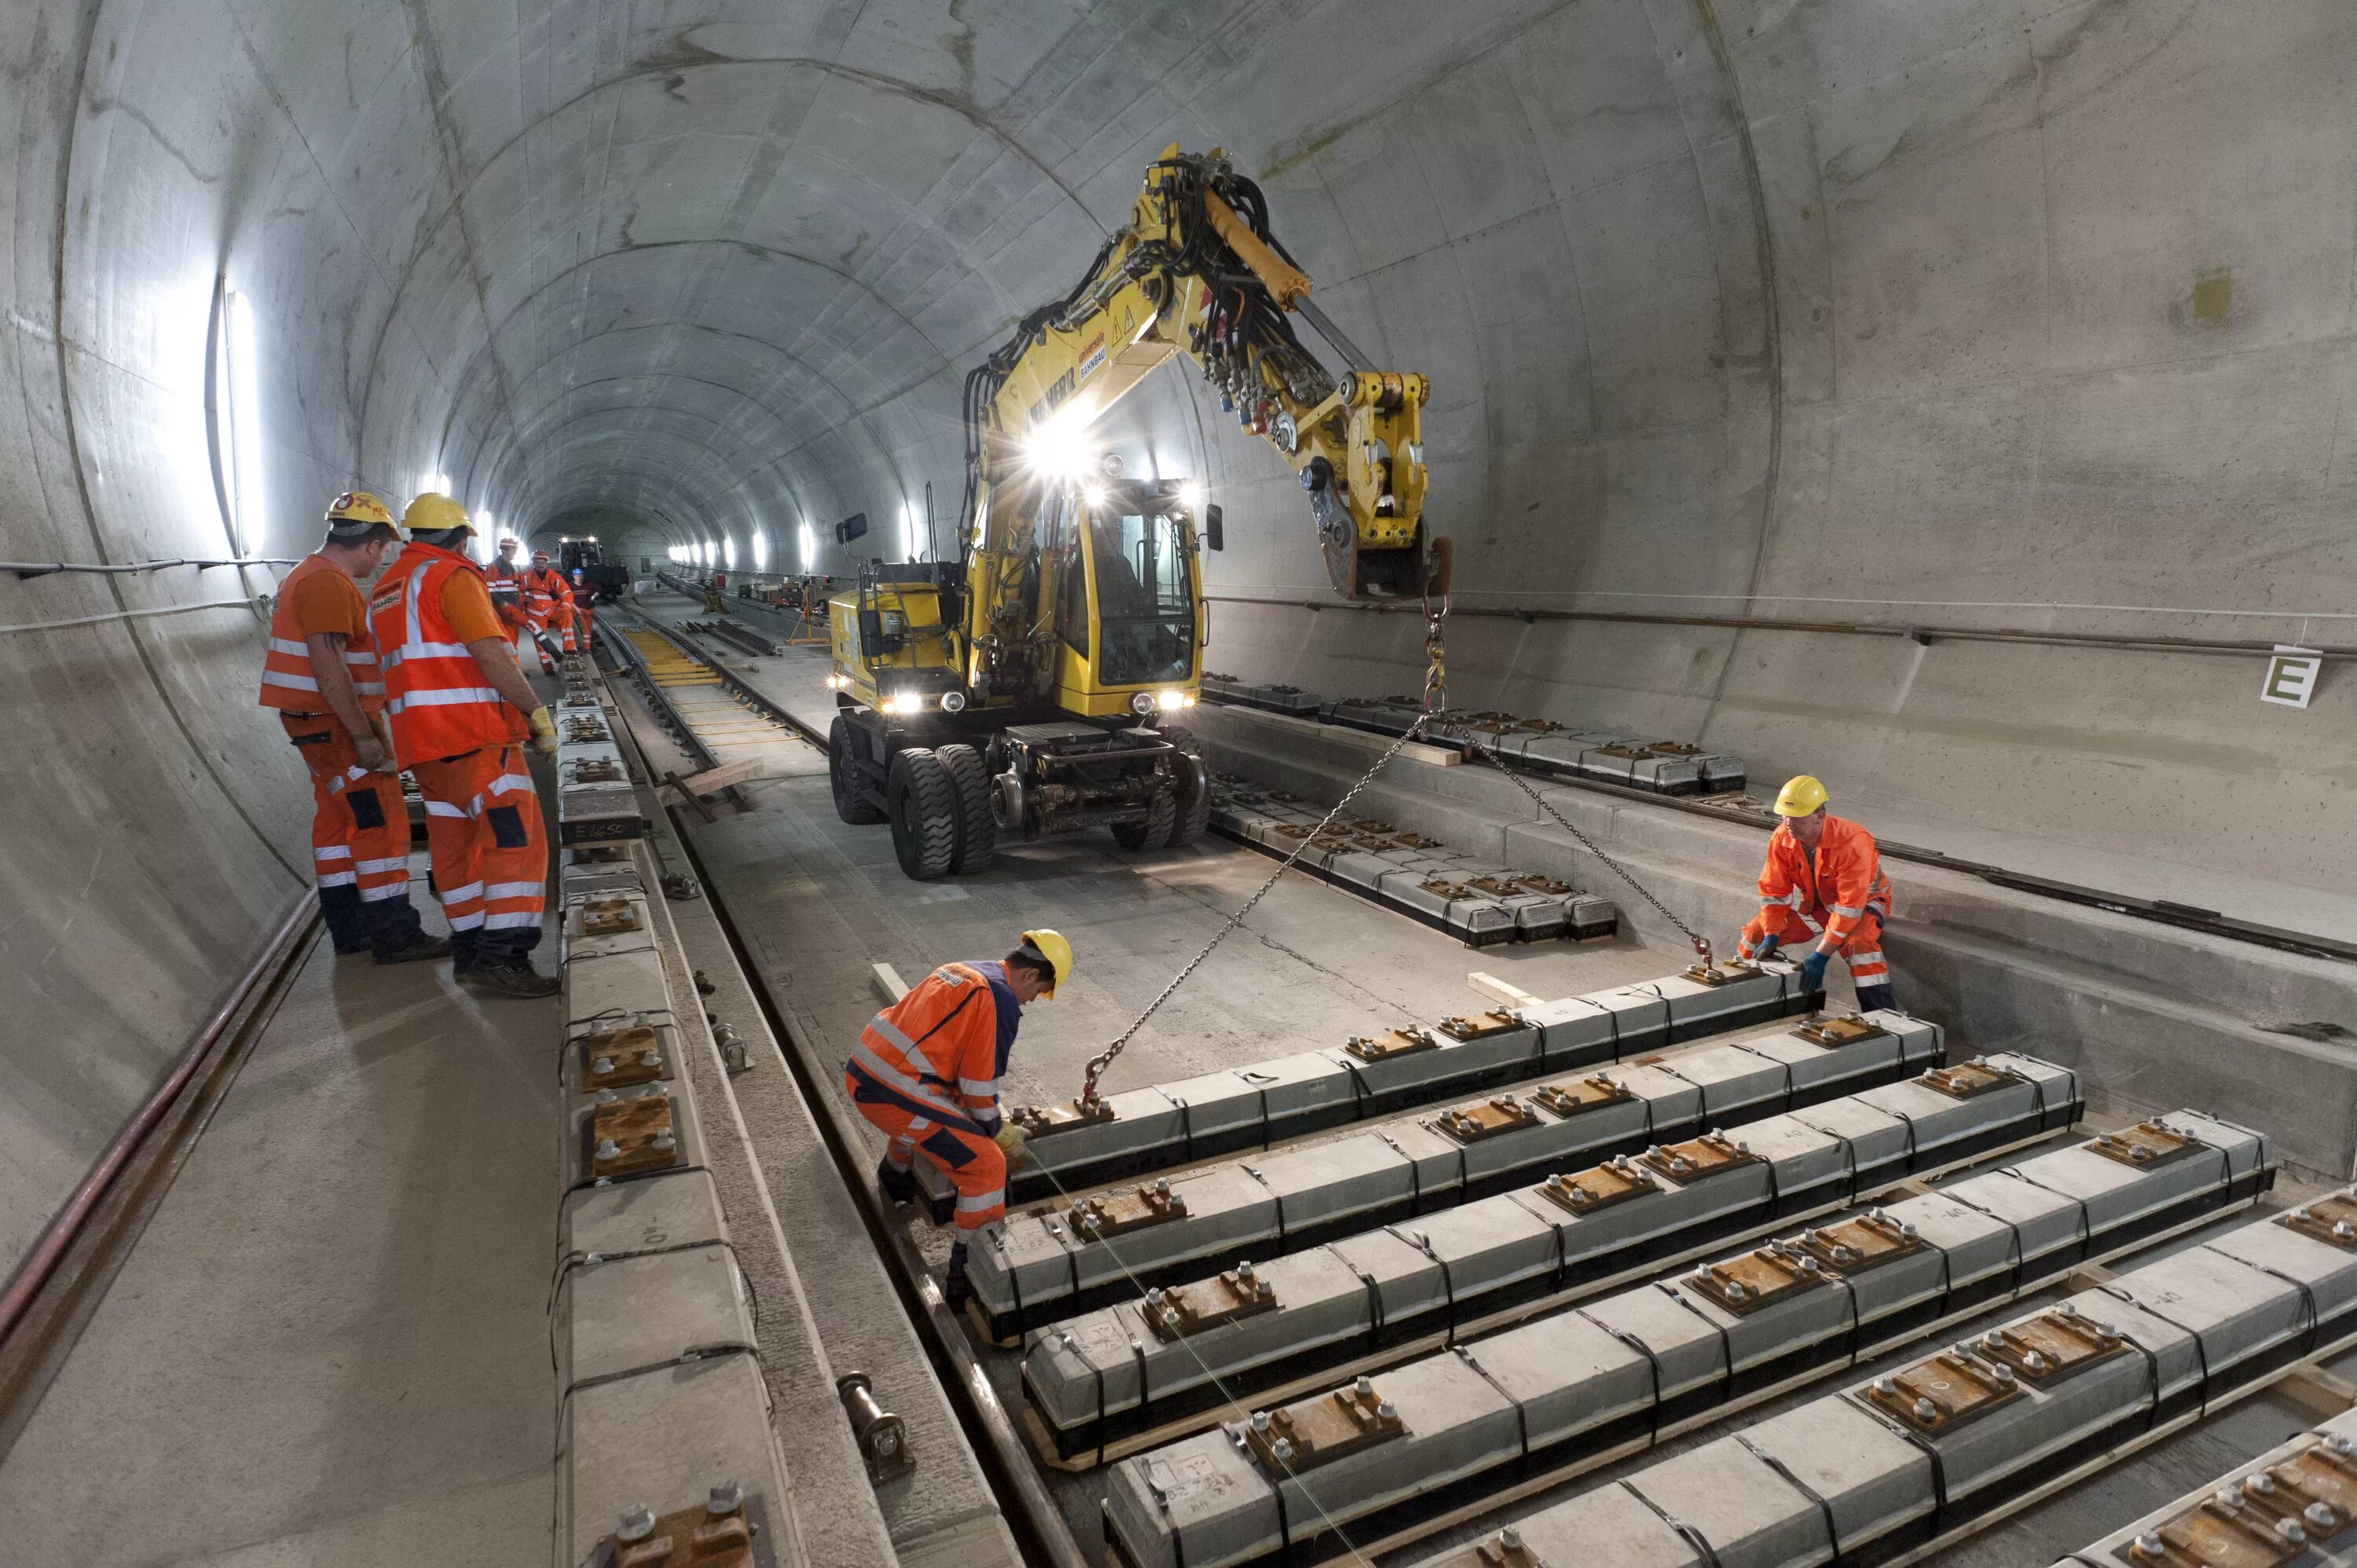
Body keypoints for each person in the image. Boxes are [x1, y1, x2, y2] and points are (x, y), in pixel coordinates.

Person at [368, 494, 563, 998]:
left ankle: (472, 952)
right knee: (516, 842)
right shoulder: (452, 577)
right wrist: (532, 710)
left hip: (424, 750)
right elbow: (490, 653)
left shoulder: (387, 589)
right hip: (476, 739)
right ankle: (505, 957)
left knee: (455, 851)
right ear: (460, 538)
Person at [258, 492, 449, 964]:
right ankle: (394, 935)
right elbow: (328, 664)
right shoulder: (328, 583)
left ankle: (350, 928)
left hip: (312, 725)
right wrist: (363, 733)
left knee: (337, 822)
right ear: (371, 543)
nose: (381, 560)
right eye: (384, 550)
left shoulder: (306, 573)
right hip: (336, 726)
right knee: (379, 820)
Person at [844, 929, 1073, 1304]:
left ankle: (895, 1176)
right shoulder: (998, 998)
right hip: (890, 1090)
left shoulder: (962, 970)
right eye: (1039, 992)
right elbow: (979, 1090)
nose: (1033, 1001)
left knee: (938, 1109)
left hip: (864, 1068)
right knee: (986, 1166)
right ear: (1030, 975)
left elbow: (946, 1064)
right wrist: (999, 1133)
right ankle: (968, 1272)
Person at [1737, 775, 1895, 1013]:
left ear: (1819, 816)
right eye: (1784, 815)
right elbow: (1774, 892)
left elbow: (1849, 906)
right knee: (1755, 933)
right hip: (1818, 907)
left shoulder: (1852, 841)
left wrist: (1821, 956)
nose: (1788, 822)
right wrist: (1771, 934)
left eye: (1797, 817)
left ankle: (1881, 1016)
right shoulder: (1783, 836)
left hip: (1863, 906)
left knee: (1859, 945)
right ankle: (1735, 995)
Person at [521, 548, 573, 672]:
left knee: (567, 615)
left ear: (547, 563)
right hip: (535, 613)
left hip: (551, 610)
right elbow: (516, 591)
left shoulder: (555, 577)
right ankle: (547, 666)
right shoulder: (526, 577)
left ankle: (569, 649)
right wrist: (523, 597)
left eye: (543, 561)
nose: (540, 564)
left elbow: (567, 593)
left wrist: (564, 607)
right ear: (533, 563)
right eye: (538, 561)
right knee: (539, 638)